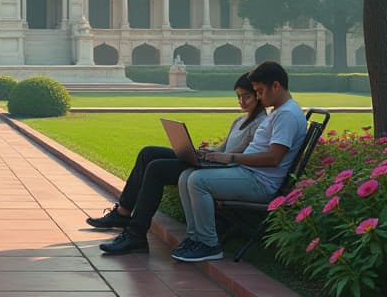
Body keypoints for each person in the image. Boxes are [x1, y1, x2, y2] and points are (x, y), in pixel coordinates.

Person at [93, 74, 266, 255]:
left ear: (258, 95)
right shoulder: (239, 121)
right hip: (212, 161)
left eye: (246, 96)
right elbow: (223, 147)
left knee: (157, 169)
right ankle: (123, 212)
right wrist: (206, 151)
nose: (241, 101)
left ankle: (136, 234)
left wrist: (214, 156)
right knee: (148, 153)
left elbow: (241, 154)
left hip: (222, 169)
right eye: (238, 96)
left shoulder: (260, 123)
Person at [172, 60, 307, 262]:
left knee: (197, 180)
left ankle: (209, 244)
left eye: (260, 91)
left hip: (261, 182)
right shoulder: (280, 112)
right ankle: (196, 238)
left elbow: (274, 157)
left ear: (276, 86)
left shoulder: (286, 115)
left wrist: (231, 157)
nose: (258, 97)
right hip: (249, 173)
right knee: (186, 176)